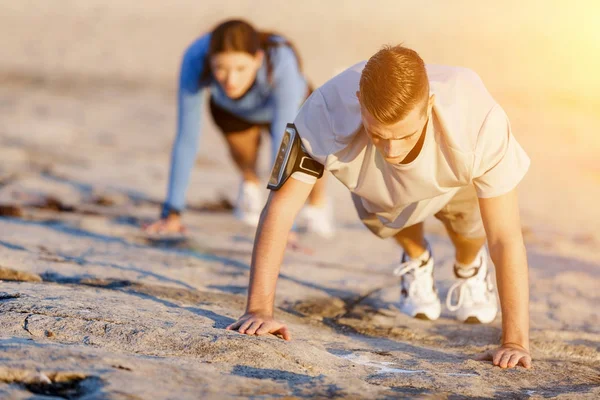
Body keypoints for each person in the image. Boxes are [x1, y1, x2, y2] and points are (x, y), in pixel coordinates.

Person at [227, 45, 533, 369]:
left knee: (469, 228)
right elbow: (280, 209)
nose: (391, 150)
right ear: (359, 101)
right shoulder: (324, 110)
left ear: (429, 106)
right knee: (386, 217)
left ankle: (469, 267)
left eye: (404, 135)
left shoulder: (479, 121)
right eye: (378, 134)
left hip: (454, 174)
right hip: (379, 187)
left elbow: (505, 238)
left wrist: (515, 342)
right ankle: (417, 257)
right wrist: (259, 309)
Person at [145, 19, 334, 237]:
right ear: (209, 61)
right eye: (220, 69)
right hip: (234, 110)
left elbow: (283, 142)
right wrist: (172, 213)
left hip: (294, 108)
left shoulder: (281, 57)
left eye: (241, 68)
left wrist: (283, 226)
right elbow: (186, 139)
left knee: (310, 154)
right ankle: (250, 187)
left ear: (258, 59)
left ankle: (317, 206)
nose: (231, 80)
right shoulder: (195, 58)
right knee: (243, 153)